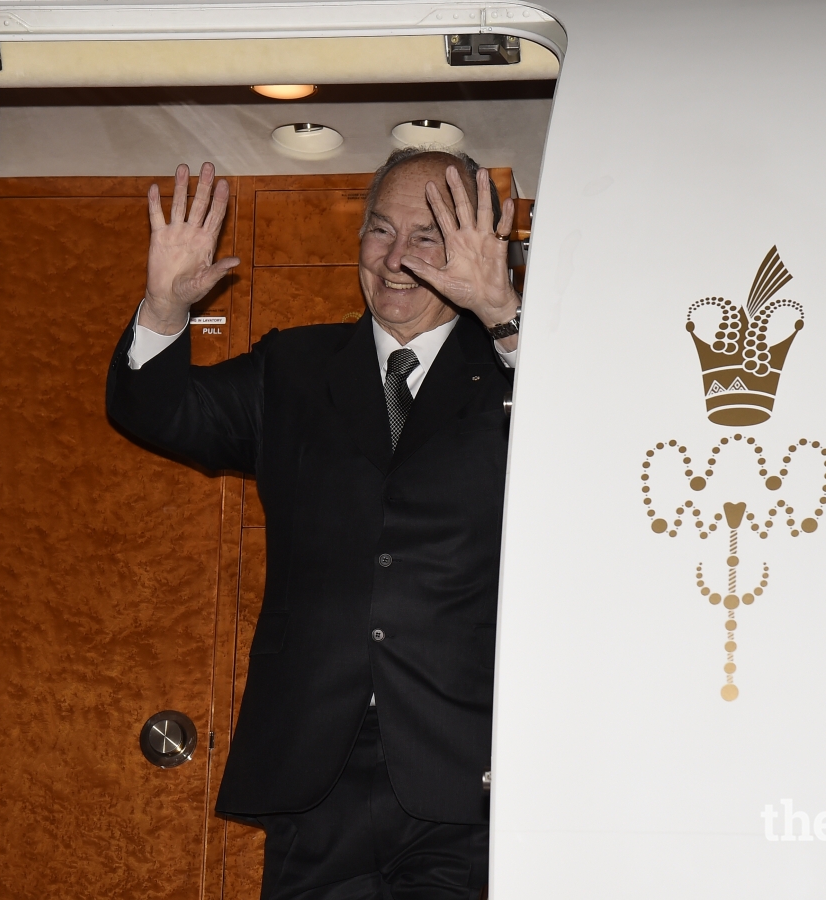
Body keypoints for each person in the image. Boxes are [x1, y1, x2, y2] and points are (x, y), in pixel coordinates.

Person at [106, 148, 522, 899]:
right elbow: (158, 411)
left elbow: (592, 450)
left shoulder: (516, 365)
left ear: (477, 242)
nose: (395, 260)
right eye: (379, 230)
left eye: (426, 237)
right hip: (315, 771)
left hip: (468, 773)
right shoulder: (294, 368)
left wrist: (503, 315)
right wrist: (165, 307)